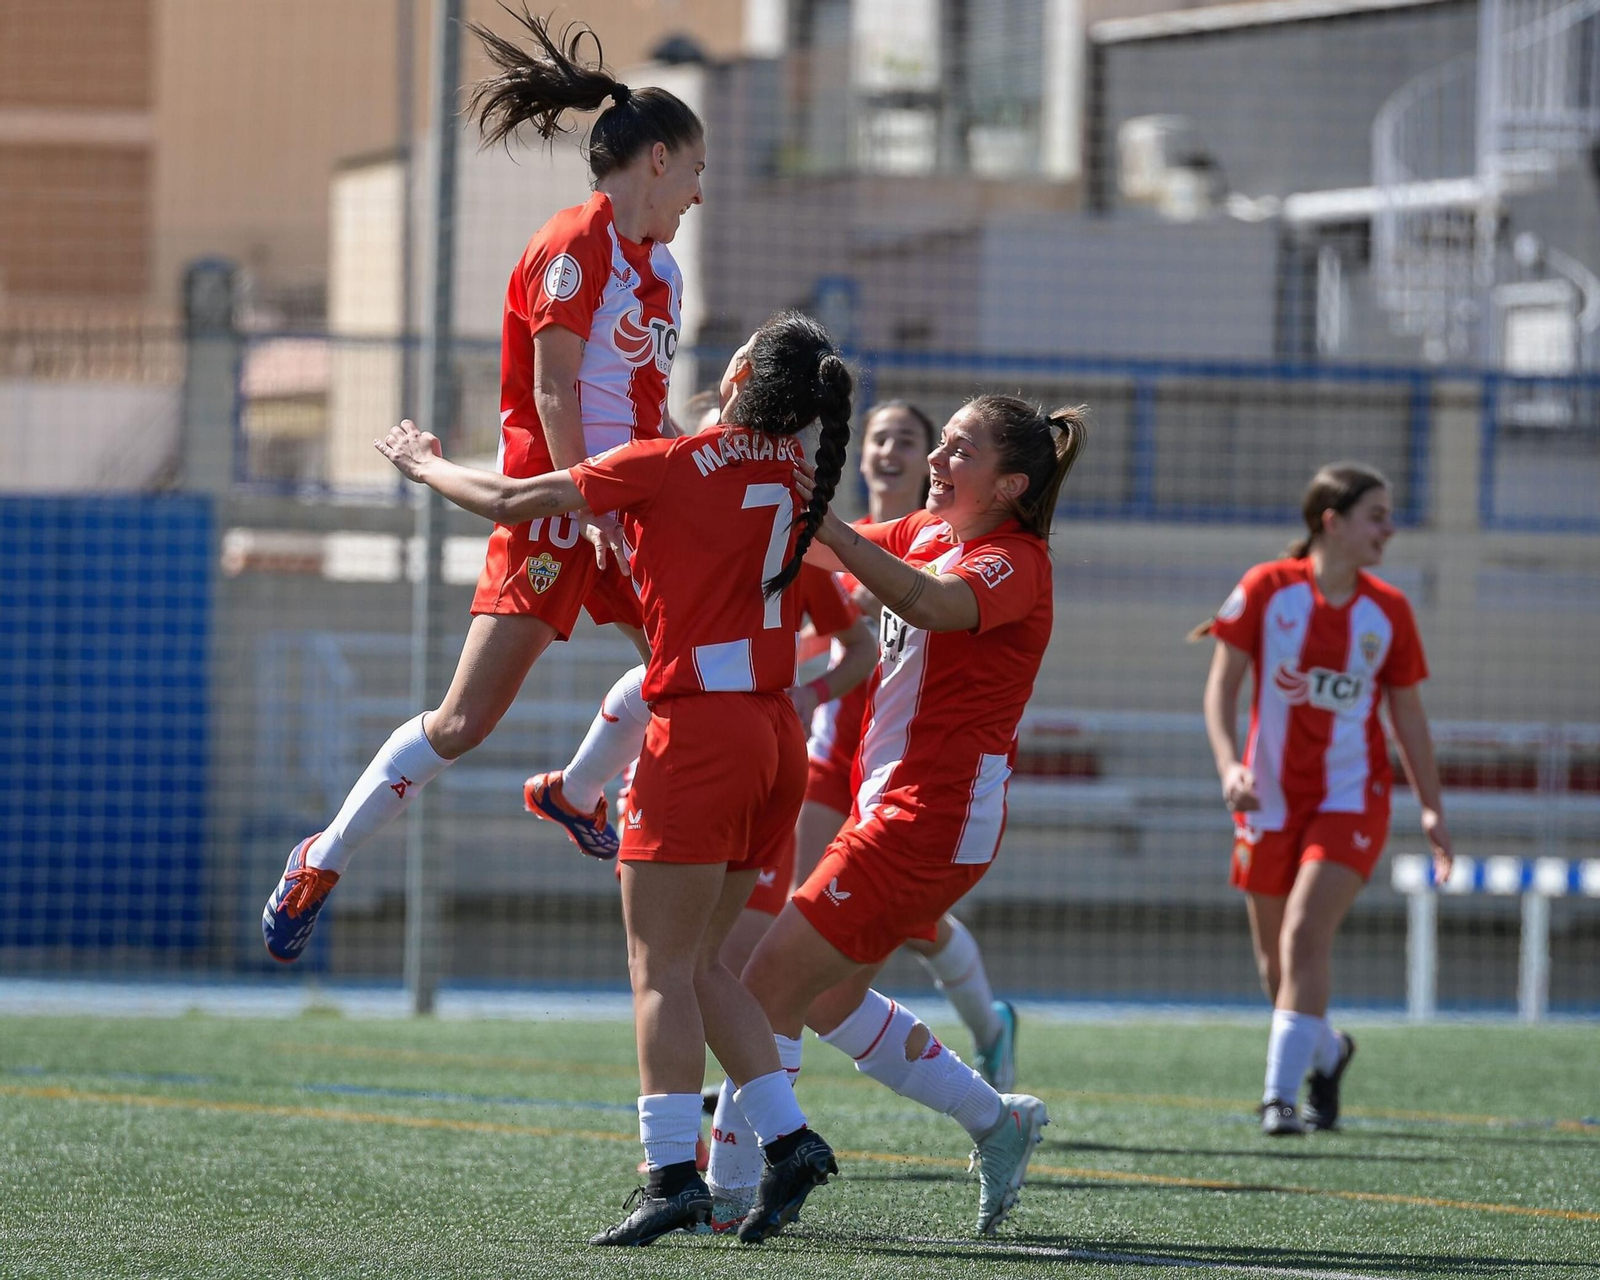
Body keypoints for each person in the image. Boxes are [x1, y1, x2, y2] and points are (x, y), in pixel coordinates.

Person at [376, 310, 853, 1245]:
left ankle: (672, 1174)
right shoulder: (799, 476)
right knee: (702, 963)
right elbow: (831, 605)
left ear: (744, 373)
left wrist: (422, 464)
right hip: (772, 735)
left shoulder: (668, 463)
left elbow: (521, 505)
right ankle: (790, 1144)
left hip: (702, 734)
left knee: (658, 970)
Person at [261, 11, 705, 960]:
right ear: (659, 160)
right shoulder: (571, 244)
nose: (698, 197)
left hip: (625, 512)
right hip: (559, 512)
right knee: (462, 724)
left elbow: (642, 405)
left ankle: (578, 791)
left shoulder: (662, 272)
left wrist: (693, 463)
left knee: (693, 670)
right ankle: (322, 857)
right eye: (697, 172)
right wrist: (583, 504)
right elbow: (553, 388)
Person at [715, 395, 1087, 1236]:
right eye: (941, 443)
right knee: (828, 1001)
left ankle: (726, 1192)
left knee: (765, 981)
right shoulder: (926, 531)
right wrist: (726, 470)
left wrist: (829, 528)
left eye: (961, 449)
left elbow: (928, 602)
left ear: (1011, 485)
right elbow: (825, 566)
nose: (937, 459)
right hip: (895, 808)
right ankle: (1000, 1121)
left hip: (933, 817)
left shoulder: (1015, 561)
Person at [1196, 462, 1453, 1136]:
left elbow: (1409, 718)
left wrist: (1431, 806)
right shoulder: (1265, 589)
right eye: (1377, 516)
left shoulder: (1388, 611)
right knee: (1276, 965)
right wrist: (1230, 769)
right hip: (1269, 797)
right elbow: (1221, 692)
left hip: (1351, 797)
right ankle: (1331, 1052)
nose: (1388, 530)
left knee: (1307, 934)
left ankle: (1279, 1098)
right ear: (1331, 522)